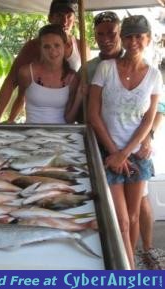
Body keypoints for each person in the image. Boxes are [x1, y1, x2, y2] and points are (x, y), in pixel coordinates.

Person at [66, 11, 165, 264]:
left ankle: (131, 263)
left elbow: (150, 117)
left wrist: (141, 143)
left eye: (139, 37)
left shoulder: (154, 75)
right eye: (128, 36)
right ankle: (127, 269)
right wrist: (114, 152)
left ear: (149, 38)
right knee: (119, 219)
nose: (133, 42)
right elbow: (94, 115)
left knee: (133, 216)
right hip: (107, 153)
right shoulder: (102, 68)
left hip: (136, 154)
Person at [0, 0, 90, 123]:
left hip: (70, 117)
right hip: (37, 117)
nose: (64, 21)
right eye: (59, 15)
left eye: (69, 16)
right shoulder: (33, 46)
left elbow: (86, 82)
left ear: (74, 19)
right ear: (50, 18)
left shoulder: (82, 47)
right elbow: (12, 82)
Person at [16, 24, 79, 123]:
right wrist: (10, 120)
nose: (52, 51)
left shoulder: (72, 78)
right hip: (32, 134)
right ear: (40, 48)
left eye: (57, 45)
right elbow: (19, 99)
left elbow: (69, 119)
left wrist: (79, 96)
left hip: (61, 135)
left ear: (65, 46)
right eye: (47, 47)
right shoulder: (26, 73)